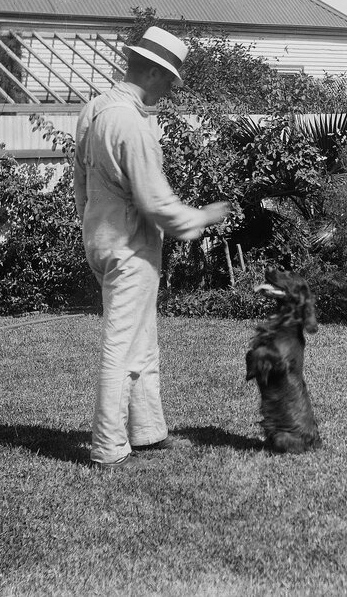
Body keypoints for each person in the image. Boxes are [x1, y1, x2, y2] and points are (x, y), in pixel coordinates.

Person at [73, 26, 230, 470]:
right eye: (171, 81)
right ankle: (108, 446)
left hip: (102, 238)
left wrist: (92, 230)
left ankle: (146, 431)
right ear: (156, 73)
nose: (170, 90)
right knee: (122, 347)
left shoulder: (95, 110)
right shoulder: (132, 125)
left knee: (141, 338)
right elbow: (155, 201)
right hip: (130, 243)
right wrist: (200, 217)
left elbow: (80, 183)